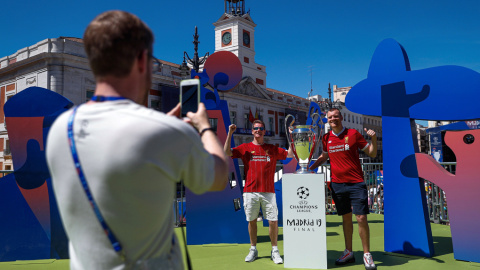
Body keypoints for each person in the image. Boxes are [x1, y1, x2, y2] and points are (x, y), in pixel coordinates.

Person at [46, 10, 228, 270]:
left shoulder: (59, 129)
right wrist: (203, 128)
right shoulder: (164, 133)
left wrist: (159, 127)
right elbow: (219, 176)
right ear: (142, 60)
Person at [309, 108, 377, 270]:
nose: (333, 119)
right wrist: (309, 168)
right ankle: (349, 252)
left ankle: (367, 254)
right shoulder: (326, 138)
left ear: (341, 117)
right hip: (337, 184)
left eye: (336, 116)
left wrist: (373, 139)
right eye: (330, 117)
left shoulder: (353, 133)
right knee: (346, 219)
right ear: (328, 120)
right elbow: (324, 156)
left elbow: (372, 154)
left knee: (361, 218)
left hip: (356, 183)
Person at [224, 120, 293, 264]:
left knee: (273, 222)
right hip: (250, 191)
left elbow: (290, 155)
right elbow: (226, 152)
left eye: (261, 128)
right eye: (255, 128)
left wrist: (291, 137)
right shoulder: (245, 147)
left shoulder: (272, 148)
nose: (258, 130)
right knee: (252, 221)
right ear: (252, 131)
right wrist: (230, 133)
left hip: (268, 192)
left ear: (264, 131)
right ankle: (253, 249)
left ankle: (274, 250)